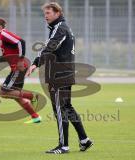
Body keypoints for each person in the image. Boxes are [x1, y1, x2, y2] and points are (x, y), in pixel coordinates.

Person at [26, 2, 93, 154]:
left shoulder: (60, 28)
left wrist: (36, 63)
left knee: (60, 109)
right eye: (45, 14)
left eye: (48, 13)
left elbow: (49, 46)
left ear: (57, 13)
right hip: (66, 73)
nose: (45, 16)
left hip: (58, 74)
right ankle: (84, 140)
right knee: (67, 108)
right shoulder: (63, 27)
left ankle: (63, 145)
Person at [0, 17, 41, 124]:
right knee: (15, 95)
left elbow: (21, 42)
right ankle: (35, 117)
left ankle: (32, 96)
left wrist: (20, 59)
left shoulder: (4, 34)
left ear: (0, 27)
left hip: (18, 68)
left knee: (4, 92)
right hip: (16, 68)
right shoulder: (1, 38)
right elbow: (6, 57)